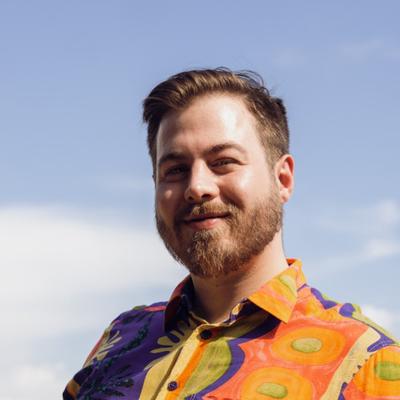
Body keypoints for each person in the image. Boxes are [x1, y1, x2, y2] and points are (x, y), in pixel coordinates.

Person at [64, 69, 400, 399]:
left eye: (223, 161)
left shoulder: (368, 363)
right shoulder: (121, 338)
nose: (197, 187)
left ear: (282, 179)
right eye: (175, 170)